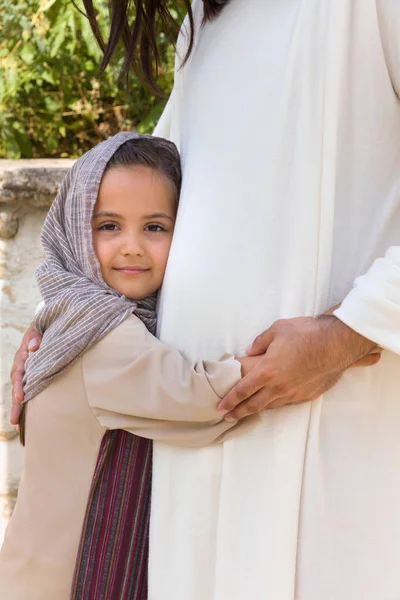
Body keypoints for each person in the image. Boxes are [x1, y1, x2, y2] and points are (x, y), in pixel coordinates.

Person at [11, 1, 400, 599]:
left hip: (329, 437)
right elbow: (143, 188)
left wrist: (349, 334)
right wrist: (60, 324)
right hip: (195, 481)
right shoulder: (208, 19)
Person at [1, 132, 258, 600]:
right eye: (109, 226)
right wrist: (312, 348)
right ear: (75, 230)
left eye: (155, 227)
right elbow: (206, 400)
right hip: (63, 583)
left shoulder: (63, 313)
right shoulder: (104, 333)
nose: (133, 247)